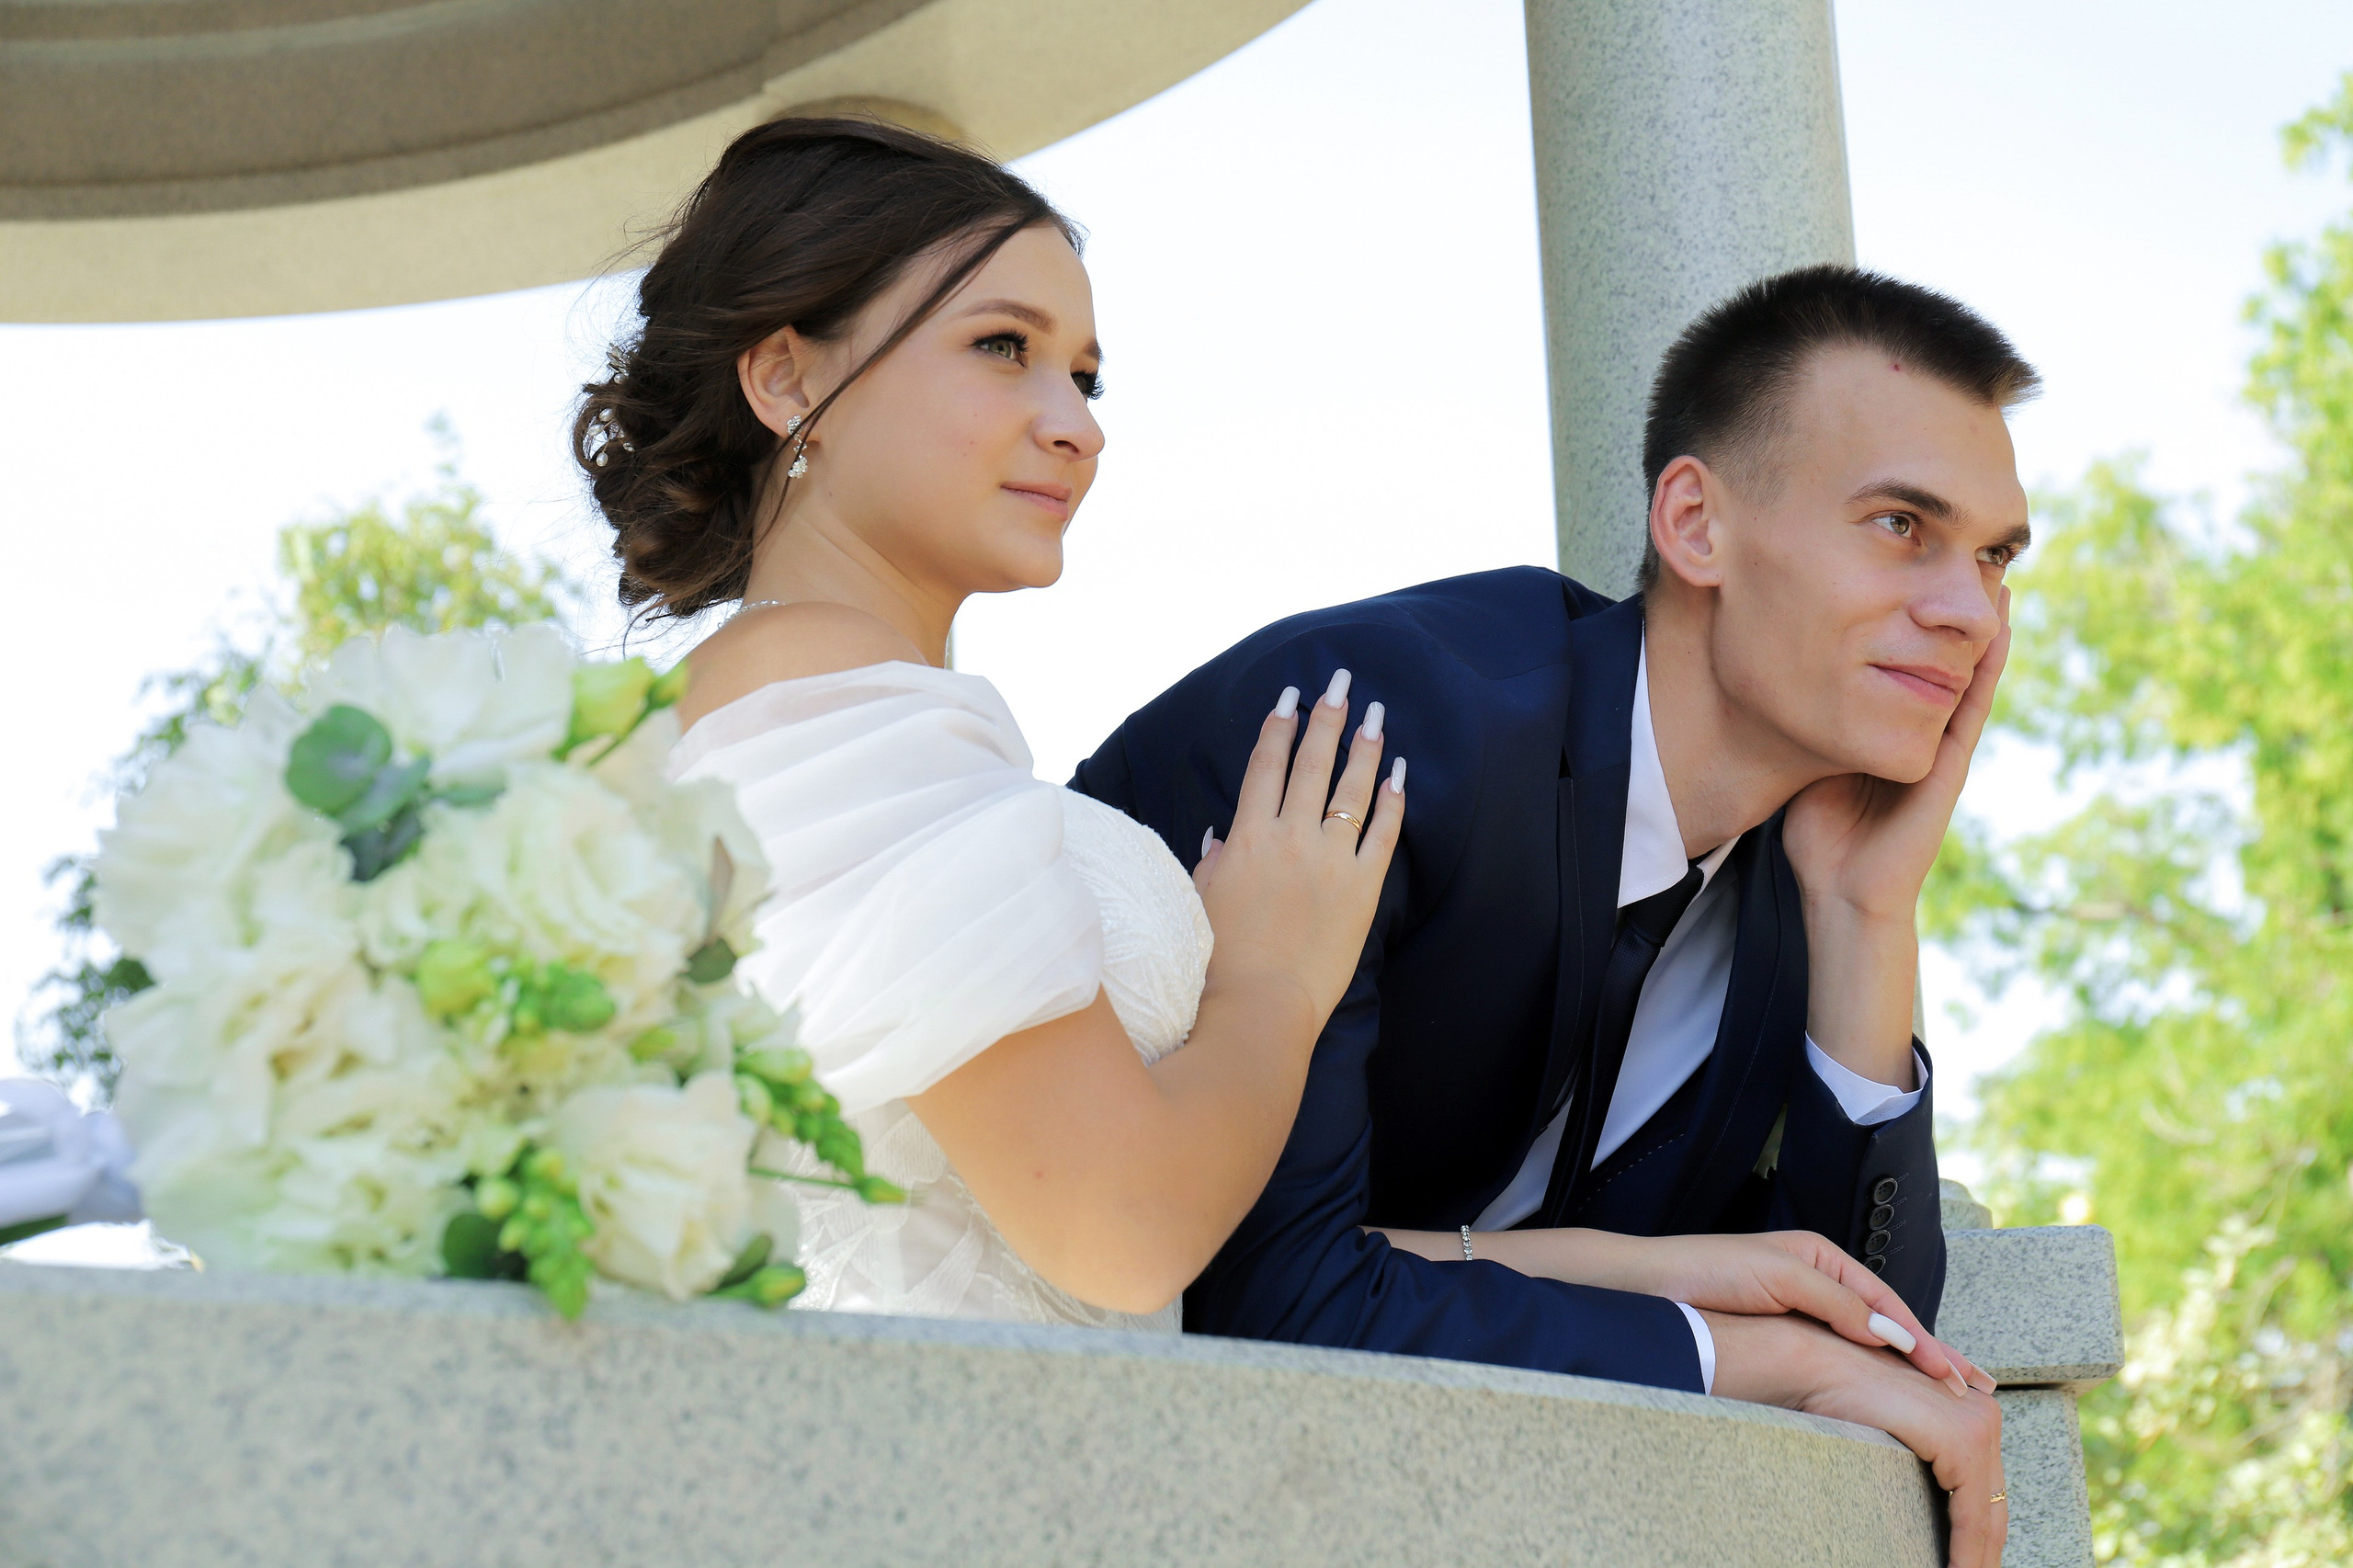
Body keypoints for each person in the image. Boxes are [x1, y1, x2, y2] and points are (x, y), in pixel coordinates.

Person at [1073, 266, 2027, 1566]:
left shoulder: (1805, 872)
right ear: (1695, 523)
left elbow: (1875, 1347)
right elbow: (1273, 1306)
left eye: (1995, 557)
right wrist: (1741, 1352)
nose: (1969, 613)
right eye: (1903, 525)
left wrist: (1868, 913)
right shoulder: (1373, 734)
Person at [575, 116, 1402, 1335]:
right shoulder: (828, 701)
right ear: (787, 379)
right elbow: (1121, 1225)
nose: (1078, 424)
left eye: (1086, 376)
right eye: (1003, 346)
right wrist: (1274, 981)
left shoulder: (795, 704)